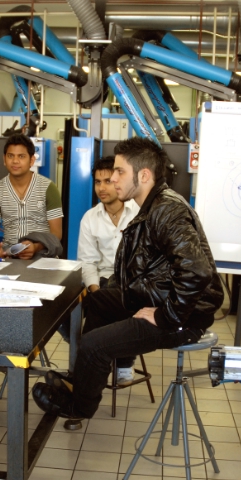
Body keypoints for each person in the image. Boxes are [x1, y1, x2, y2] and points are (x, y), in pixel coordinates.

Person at [32, 137, 224, 420]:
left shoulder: (166, 210)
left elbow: (197, 271)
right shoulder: (152, 205)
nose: (113, 179)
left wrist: (165, 316)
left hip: (186, 317)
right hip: (157, 297)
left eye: (120, 172)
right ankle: (82, 378)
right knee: (96, 301)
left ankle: (79, 406)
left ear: (144, 176)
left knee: (94, 343)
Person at [75, 155, 139, 384]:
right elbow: (87, 262)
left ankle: (87, 371)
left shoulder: (140, 213)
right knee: (101, 300)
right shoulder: (90, 218)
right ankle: (122, 362)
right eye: (97, 182)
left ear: (119, 180)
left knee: (106, 304)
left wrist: (99, 298)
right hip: (103, 282)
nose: (101, 188)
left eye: (108, 181)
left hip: (133, 282)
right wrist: (95, 291)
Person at [0, 134, 64, 260]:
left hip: (44, 258)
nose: (15, 161)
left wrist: (36, 247)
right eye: (10, 156)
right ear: (4, 159)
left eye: (21, 156)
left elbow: (57, 234)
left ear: (31, 160)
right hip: (10, 258)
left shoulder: (48, 188)